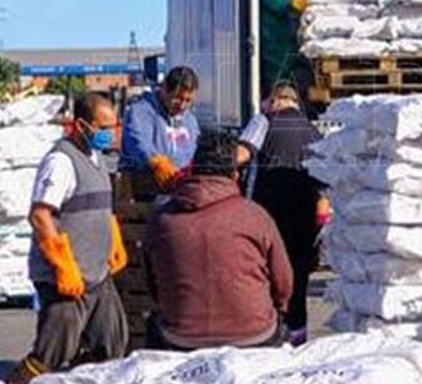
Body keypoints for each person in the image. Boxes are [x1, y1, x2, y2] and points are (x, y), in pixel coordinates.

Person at [8, 93, 129, 384]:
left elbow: (98, 205)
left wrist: (112, 237)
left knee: (111, 344)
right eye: (102, 128)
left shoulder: (97, 159)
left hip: (97, 274)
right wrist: (63, 265)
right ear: (81, 126)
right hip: (67, 279)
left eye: (112, 127)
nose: (109, 134)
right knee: (51, 352)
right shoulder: (60, 162)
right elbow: (40, 215)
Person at [143, 127, 293, 350]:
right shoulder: (255, 216)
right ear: (235, 175)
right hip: (255, 336)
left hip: (179, 337)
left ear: (192, 169)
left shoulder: (161, 219)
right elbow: (283, 284)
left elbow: (153, 284)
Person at [240, 82, 323, 341]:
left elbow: (241, 154)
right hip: (304, 222)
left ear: (274, 101)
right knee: (297, 286)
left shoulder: (264, 122)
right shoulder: (313, 132)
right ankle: (298, 340)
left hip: (267, 218)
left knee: (266, 282)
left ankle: (270, 340)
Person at [120, 65, 201, 190]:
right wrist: (157, 163)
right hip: (144, 192)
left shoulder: (190, 120)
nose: (182, 106)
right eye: (177, 98)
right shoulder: (140, 112)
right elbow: (138, 144)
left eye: (188, 100)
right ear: (164, 88)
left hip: (180, 190)